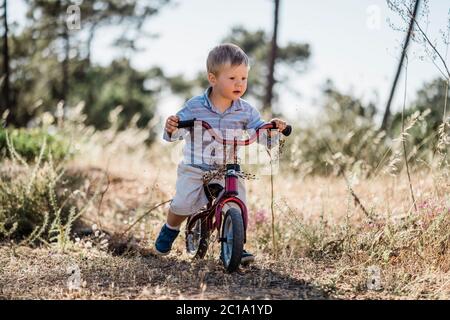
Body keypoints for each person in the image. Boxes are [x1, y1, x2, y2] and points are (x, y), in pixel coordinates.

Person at [154, 43, 287, 264]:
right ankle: (171, 227)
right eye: (232, 78)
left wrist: (272, 129)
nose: (239, 84)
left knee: (237, 202)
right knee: (183, 205)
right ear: (213, 78)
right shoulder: (195, 106)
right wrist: (172, 126)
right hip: (196, 166)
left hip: (228, 168)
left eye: (243, 78)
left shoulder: (245, 110)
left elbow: (260, 131)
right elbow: (176, 130)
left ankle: (237, 243)